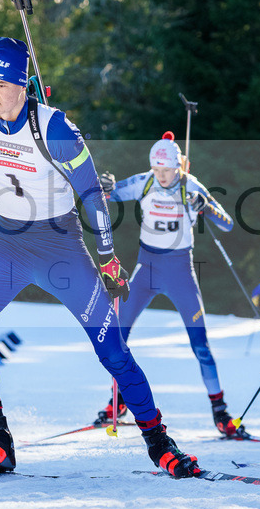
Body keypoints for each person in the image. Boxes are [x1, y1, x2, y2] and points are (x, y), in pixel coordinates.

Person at [0, 36, 201, 478]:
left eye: (1, 85)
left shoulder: (55, 128)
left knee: (111, 349)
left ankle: (160, 444)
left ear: (22, 85)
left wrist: (107, 257)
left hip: (61, 247)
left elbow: (92, 195)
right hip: (7, 245)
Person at [94, 132, 246, 438]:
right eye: (157, 169)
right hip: (147, 270)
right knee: (117, 335)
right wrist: (104, 186)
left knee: (200, 344)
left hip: (180, 272)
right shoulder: (145, 181)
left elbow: (227, 223)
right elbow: (111, 194)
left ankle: (220, 411)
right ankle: (119, 401)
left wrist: (205, 206)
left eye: (166, 170)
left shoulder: (192, 186)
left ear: (178, 166)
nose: (161, 176)